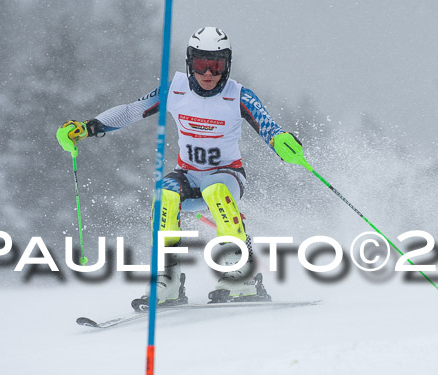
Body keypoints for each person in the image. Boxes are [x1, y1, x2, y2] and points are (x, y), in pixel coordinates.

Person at [56, 27, 305, 307]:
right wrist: (87, 127)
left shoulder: (239, 95)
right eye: (201, 64)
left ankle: (240, 272)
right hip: (188, 175)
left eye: (217, 65)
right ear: (190, 63)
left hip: (228, 175)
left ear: (227, 64)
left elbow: (267, 125)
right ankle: (169, 279)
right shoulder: (174, 90)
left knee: (215, 190)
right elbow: (130, 111)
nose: (208, 74)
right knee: (165, 194)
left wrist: (282, 141)